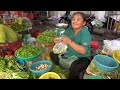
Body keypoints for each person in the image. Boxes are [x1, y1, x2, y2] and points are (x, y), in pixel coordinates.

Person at [50, 12, 92, 79]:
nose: (75, 21)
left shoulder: (85, 33)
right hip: (69, 53)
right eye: (73, 19)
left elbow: (83, 51)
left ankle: (74, 73)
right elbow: (63, 38)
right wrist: (58, 40)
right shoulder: (69, 29)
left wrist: (69, 41)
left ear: (84, 23)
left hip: (82, 57)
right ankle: (65, 68)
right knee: (52, 54)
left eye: (78, 19)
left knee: (75, 68)